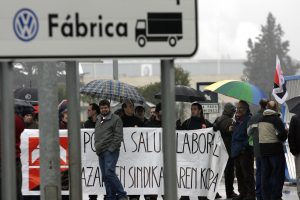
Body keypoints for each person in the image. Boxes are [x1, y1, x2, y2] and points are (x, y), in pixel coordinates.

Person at [178, 102, 220, 200]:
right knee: (188, 176)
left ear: (200, 110)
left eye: (195, 109)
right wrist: (178, 127)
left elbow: (213, 132)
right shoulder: (187, 123)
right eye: (192, 109)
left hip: (201, 157)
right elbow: (180, 137)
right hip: (189, 156)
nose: (193, 111)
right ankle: (185, 195)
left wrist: (215, 127)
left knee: (201, 176)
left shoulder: (205, 123)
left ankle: (202, 195)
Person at [94, 99, 128, 200]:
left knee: (109, 172)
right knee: (105, 176)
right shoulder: (98, 118)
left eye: (105, 107)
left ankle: (122, 195)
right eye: (102, 108)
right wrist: (97, 147)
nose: (104, 109)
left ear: (109, 108)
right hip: (100, 151)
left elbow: (118, 136)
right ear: (99, 109)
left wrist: (111, 149)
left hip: (110, 151)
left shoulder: (116, 119)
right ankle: (110, 196)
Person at [258, 101, 287, 200]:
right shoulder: (276, 119)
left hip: (263, 150)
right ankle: (275, 197)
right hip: (275, 151)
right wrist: (286, 132)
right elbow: (282, 136)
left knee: (265, 175)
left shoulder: (261, 119)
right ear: (275, 108)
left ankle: (266, 196)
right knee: (277, 174)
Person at [214, 103, 238, 199]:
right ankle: (230, 192)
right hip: (228, 150)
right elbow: (232, 132)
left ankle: (214, 192)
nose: (234, 113)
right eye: (233, 111)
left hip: (217, 150)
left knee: (216, 172)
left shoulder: (218, 119)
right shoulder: (229, 121)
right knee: (229, 173)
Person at [231, 100, 255, 200]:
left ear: (245, 109)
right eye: (237, 107)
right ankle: (242, 193)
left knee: (247, 174)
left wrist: (243, 147)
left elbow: (250, 136)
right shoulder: (238, 121)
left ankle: (250, 195)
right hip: (236, 152)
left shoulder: (249, 120)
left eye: (240, 107)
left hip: (245, 152)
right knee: (239, 174)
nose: (238, 109)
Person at [247, 99, 268, 200]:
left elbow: (248, 133)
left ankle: (259, 194)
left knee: (259, 171)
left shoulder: (254, 117)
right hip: (269, 149)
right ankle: (265, 194)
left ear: (260, 105)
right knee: (267, 171)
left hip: (257, 149)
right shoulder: (269, 117)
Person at [288, 108, 300, 199]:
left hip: (298, 153)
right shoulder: (295, 118)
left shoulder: (295, 118)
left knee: (299, 175)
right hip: (298, 152)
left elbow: (290, 135)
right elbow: (291, 135)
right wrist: (294, 150)